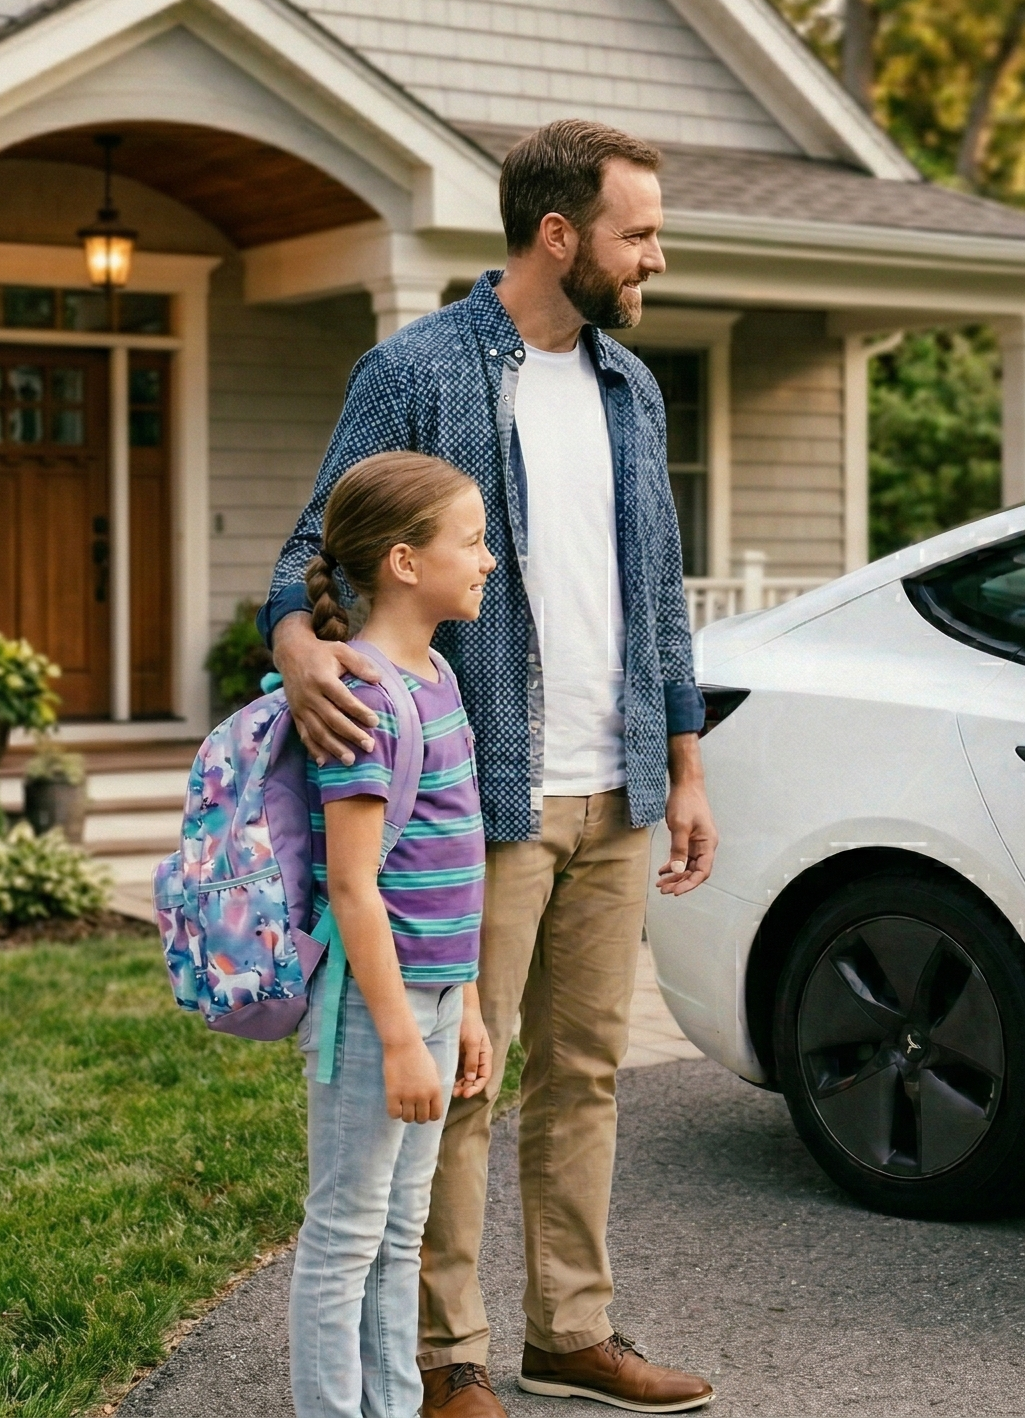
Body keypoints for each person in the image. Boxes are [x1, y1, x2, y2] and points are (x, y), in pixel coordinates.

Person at [262, 119, 719, 1418]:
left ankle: (569, 1330)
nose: (657, 258)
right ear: (559, 235)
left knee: (585, 1075)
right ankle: (446, 1356)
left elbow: (658, 594)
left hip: (619, 784)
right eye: (639, 234)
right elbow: (313, 548)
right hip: (485, 797)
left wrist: (682, 765)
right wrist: (300, 647)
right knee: (467, 1075)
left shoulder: (631, 388)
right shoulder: (417, 371)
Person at [290, 451, 499, 1418]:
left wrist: (464, 1010)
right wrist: (404, 1036)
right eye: (473, 540)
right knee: (343, 1236)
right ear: (407, 563)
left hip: (429, 997)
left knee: (400, 1228)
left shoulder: (439, 675)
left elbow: (441, 876)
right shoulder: (366, 699)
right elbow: (353, 886)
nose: (489, 560)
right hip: (374, 1011)